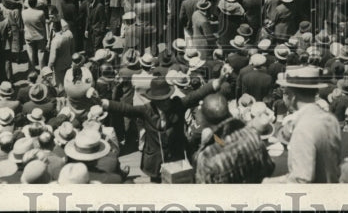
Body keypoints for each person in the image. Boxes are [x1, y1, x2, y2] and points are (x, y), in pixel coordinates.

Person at [100, 65, 229, 182]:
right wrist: (103, 103)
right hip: (154, 161)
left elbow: (198, 94)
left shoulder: (178, 104)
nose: (165, 102)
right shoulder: (146, 110)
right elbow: (125, 108)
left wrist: (220, 80)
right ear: (154, 100)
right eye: (160, 100)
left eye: (166, 98)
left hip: (177, 157)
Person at [265, 66, 341, 183]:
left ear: (292, 96)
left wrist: (268, 182)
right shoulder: (331, 119)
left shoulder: (303, 127)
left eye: (286, 93)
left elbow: (301, 179)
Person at [194, 93, 274, 183]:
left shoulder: (206, 158)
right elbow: (269, 169)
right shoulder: (253, 136)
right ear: (228, 113)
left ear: (205, 121)